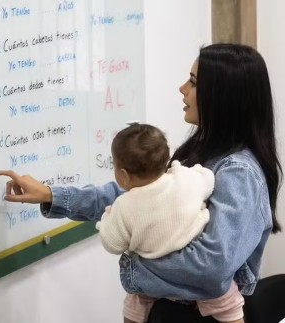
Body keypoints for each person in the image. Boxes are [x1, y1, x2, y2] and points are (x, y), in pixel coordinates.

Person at [0, 43, 283, 323]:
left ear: (221, 96)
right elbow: (137, 199)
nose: (182, 89)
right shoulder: (203, 148)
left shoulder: (239, 173)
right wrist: (49, 194)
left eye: (193, 83)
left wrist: (133, 266)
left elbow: (211, 267)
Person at [94, 123, 245, 323]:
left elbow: (112, 243)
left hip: (154, 278)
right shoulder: (184, 179)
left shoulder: (123, 206)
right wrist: (195, 171)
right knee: (226, 301)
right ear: (166, 160)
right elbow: (208, 182)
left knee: (136, 301)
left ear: (123, 175)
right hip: (197, 269)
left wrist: (107, 217)